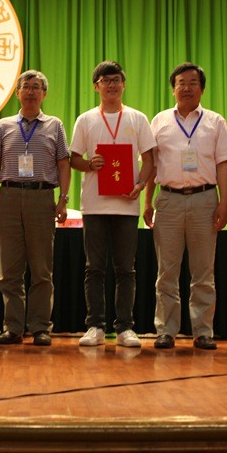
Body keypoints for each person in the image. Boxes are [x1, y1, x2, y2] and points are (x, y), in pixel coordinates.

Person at [143, 63, 227, 350]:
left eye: (193, 82)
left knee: (203, 272)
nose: (186, 88)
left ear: (202, 88)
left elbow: (223, 165)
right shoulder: (159, 121)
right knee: (167, 272)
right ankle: (166, 330)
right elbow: (151, 165)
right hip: (168, 199)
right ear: (173, 89)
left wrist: (223, 203)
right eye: (181, 83)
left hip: (205, 200)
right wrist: (148, 202)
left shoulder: (215, 122)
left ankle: (203, 331)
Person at [69, 61, 154, 348]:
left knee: (126, 269)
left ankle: (125, 328)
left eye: (116, 80)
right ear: (96, 87)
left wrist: (140, 185)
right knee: (94, 268)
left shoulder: (137, 118)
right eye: (105, 81)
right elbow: (74, 159)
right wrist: (89, 165)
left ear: (123, 84)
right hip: (94, 206)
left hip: (127, 206)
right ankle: (94, 326)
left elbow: (149, 160)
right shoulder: (85, 119)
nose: (111, 85)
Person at [0, 70, 71, 346]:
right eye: (26, 87)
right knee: (9, 270)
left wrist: (63, 199)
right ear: (17, 93)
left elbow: (64, 164)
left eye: (36, 87)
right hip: (8, 197)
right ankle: (13, 327)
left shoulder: (55, 125)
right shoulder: (3, 126)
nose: (31, 91)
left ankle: (40, 327)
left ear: (44, 94)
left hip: (41, 198)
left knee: (42, 269)